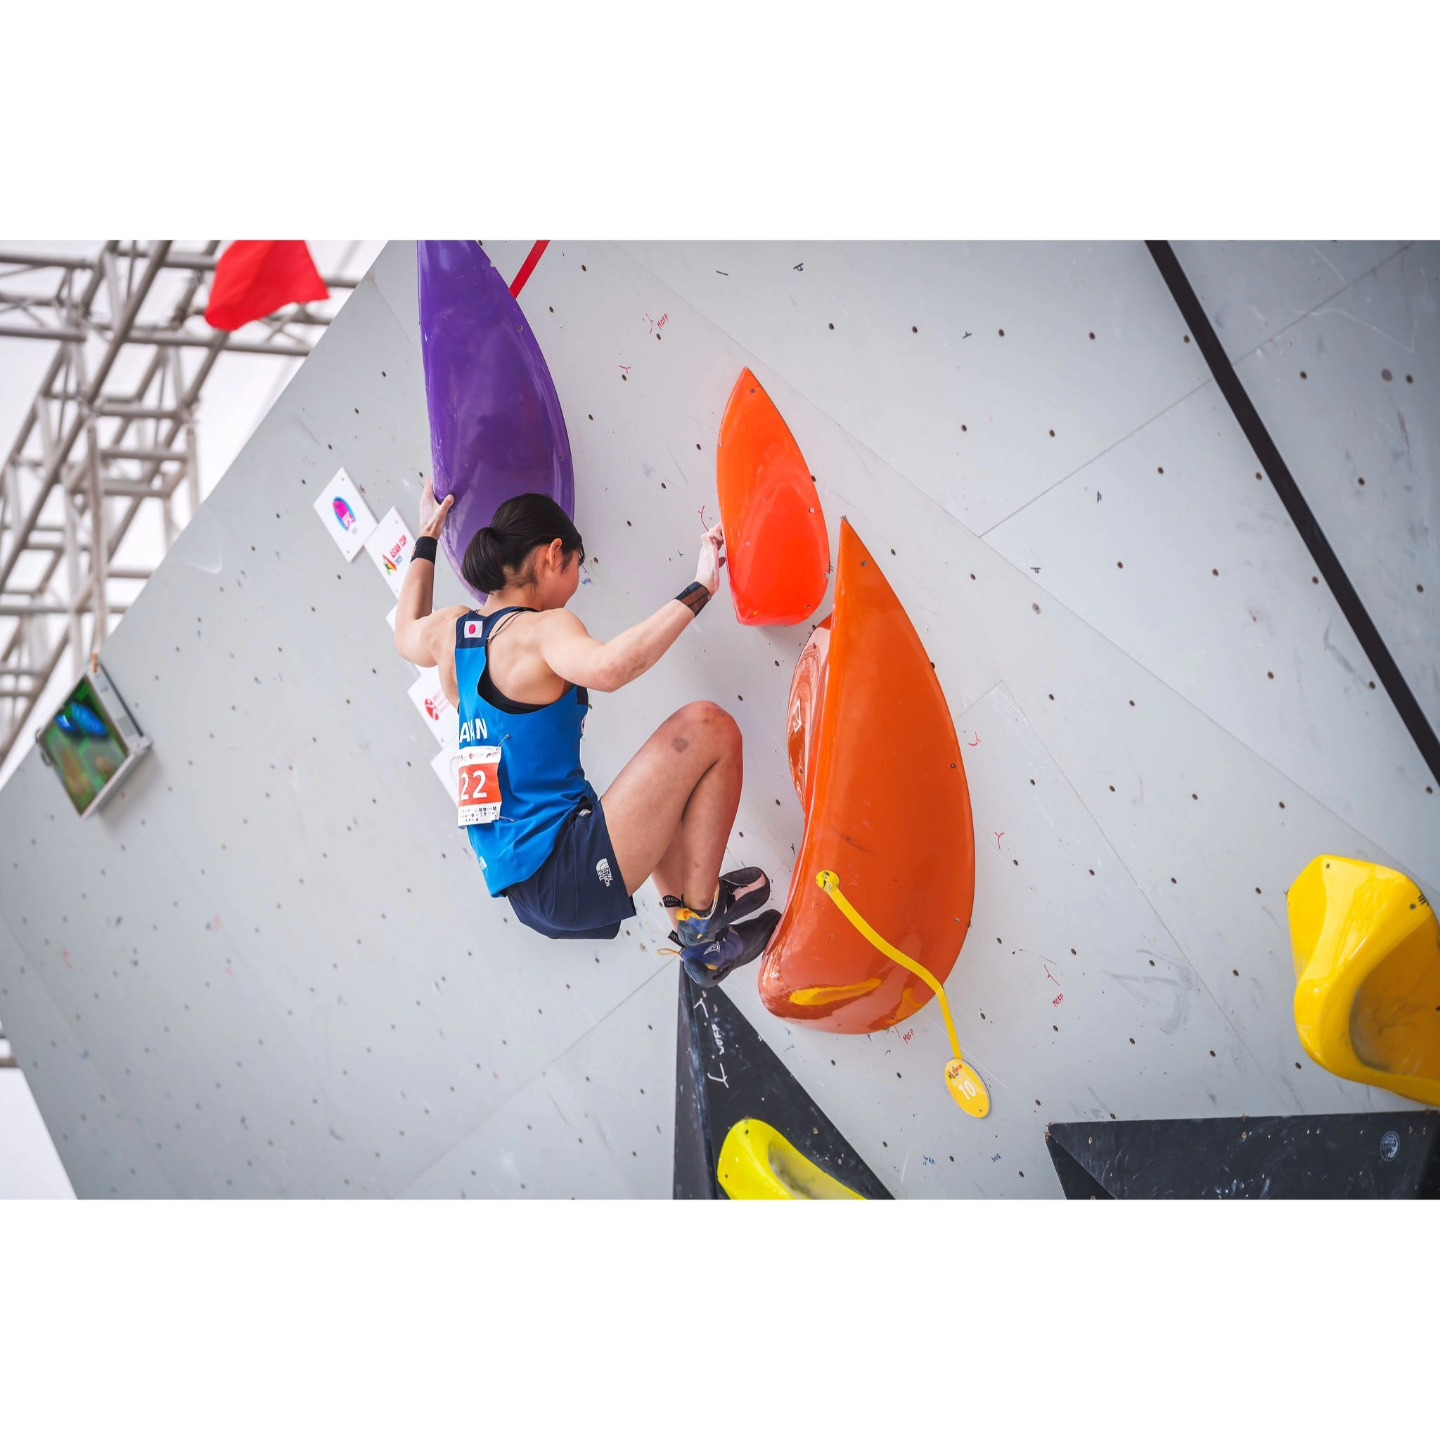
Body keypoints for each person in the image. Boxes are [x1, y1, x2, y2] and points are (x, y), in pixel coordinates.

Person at [395, 479, 779, 988]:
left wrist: (427, 537)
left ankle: (690, 917)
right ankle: (704, 928)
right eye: (578, 567)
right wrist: (702, 586)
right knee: (708, 728)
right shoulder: (539, 630)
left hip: (529, 893)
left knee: (662, 787)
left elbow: (405, 631)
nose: (577, 582)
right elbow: (611, 668)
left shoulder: (452, 630)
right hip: (565, 870)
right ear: (555, 554)